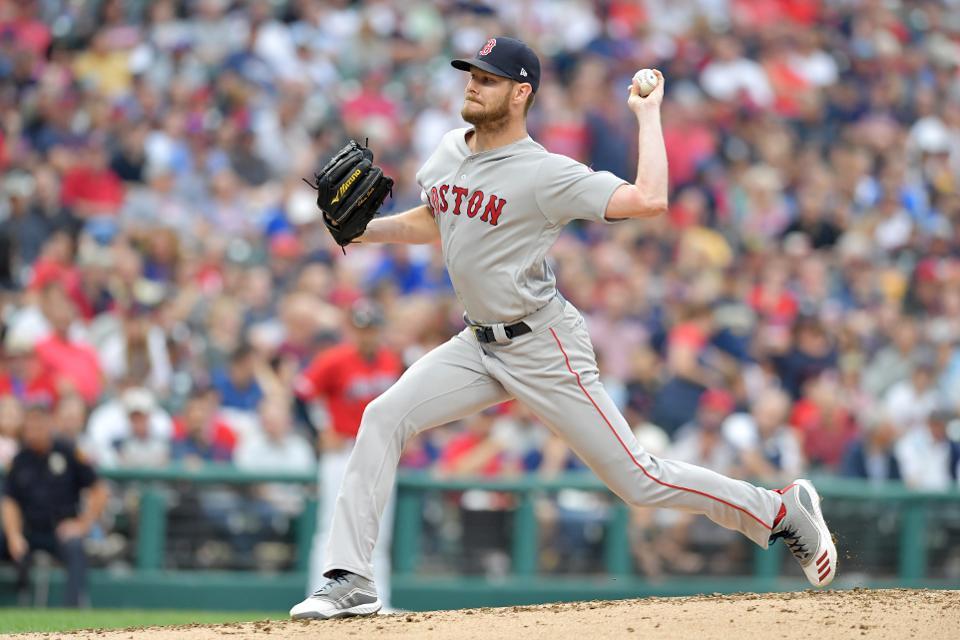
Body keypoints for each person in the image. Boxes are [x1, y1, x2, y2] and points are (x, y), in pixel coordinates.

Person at [290, 36, 837, 620]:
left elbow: (650, 199)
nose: (473, 84)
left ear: (521, 92)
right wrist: (361, 231)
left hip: (543, 344)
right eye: (471, 74)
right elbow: (437, 217)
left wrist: (647, 114)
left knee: (638, 479)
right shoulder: (450, 149)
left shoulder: (545, 173)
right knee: (382, 416)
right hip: (477, 344)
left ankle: (778, 510)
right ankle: (350, 578)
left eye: (489, 78)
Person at [294, 301, 402, 608]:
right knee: (330, 526)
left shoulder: (390, 360)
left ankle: (379, 599)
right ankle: (320, 594)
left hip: (379, 454)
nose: (366, 334)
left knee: (377, 529)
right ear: (353, 330)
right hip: (342, 451)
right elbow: (300, 393)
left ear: (379, 330)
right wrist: (319, 431)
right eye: (361, 328)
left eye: (371, 328)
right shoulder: (335, 359)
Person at [1, 392, 108, 607]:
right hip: (28, 532)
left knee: (76, 548)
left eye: (39, 424)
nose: (34, 431)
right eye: (30, 425)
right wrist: (14, 536)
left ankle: (73, 608)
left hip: (60, 530)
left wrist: (83, 524)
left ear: (49, 424)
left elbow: (99, 489)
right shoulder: (20, 459)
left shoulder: (67, 452)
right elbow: (9, 501)